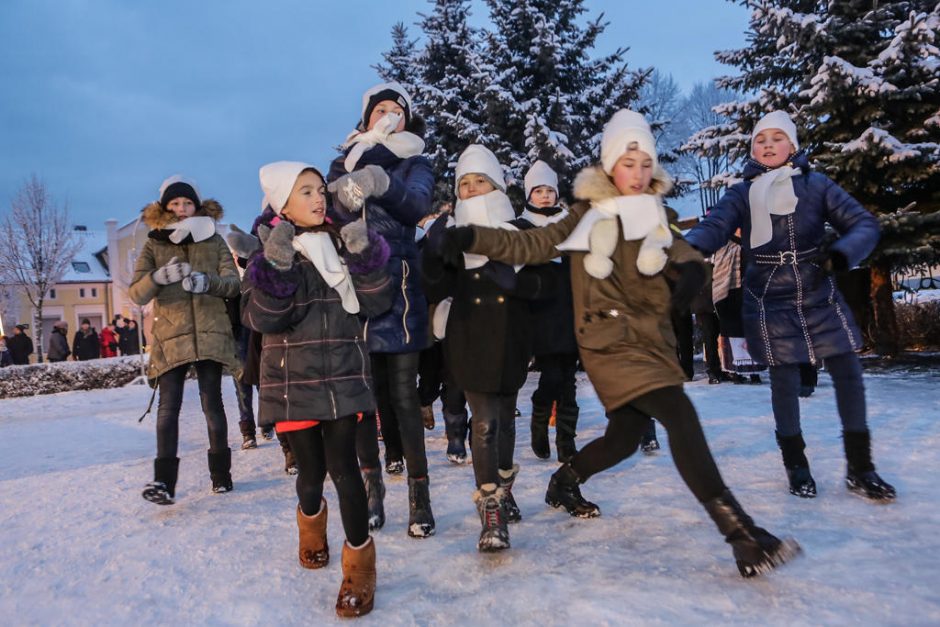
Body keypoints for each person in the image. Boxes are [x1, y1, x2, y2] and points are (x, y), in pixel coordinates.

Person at [445, 110, 800, 577]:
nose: (637, 173)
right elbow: (530, 247)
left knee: (625, 437)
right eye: (628, 163)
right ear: (611, 165)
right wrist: (474, 234)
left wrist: (692, 268)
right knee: (680, 416)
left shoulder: (655, 217)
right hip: (607, 342)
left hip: (651, 342)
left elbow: (684, 252)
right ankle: (744, 537)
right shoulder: (586, 215)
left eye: (645, 163)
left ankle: (565, 481)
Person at [685, 110, 896, 502]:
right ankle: (797, 466)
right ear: (753, 149)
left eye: (777, 138)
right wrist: (690, 247)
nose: (768, 145)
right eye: (760, 140)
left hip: (818, 290)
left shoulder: (817, 185)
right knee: (784, 383)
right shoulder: (742, 192)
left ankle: (861, 468)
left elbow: (864, 224)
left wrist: (842, 252)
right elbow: (715, 225)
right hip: (769, 297)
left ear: (793, 146)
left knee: (848, 373)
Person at [243, 161, 393, 617]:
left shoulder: (342, 242)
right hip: (294, 381)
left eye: (319, 190)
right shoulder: (270, 255)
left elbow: (378, 303)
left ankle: (359, 569)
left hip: (344, 376)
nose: (318, 198)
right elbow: (264, 319)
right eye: (304, 192)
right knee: (310, 475)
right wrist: (279, 268)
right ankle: (311, 528)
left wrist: (365, 254)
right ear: (281, 205)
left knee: (346, 471)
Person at [422, 145, 554, 551]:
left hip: (512, 336)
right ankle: (490, 505)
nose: (473, 188)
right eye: (465, 183)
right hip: (469, 336)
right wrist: (435, 247)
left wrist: (515, 281)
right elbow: (435, 286)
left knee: (506, 420)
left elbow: (543, 284)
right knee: (484, 422)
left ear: (495, 184)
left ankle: (505, 485)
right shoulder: (451, 235)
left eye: (480, 181)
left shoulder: (518, 230)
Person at [326, 81, 436, 538]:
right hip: (354, 286)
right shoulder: (342, 160)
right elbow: (331, 210)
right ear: (366, 118)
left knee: (405, 398)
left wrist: (380, 182)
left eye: (397, 110)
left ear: (406, 120)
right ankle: (374, 491)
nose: (388, 116)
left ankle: (420, 496)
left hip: (402, 285)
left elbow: (416, 206)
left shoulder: (416, 159)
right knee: (362, 399)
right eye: (380, 110)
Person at [130, 175, 241, 504]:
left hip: (209, 330)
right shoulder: (154, 244)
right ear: (164, 207)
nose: (181, 209)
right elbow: (136, 293)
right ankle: (164, 483)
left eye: (187, 203)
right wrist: (157, 278)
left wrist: (207, 282)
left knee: (212, 405)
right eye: (175, 204)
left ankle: (221, 475)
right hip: (171, 335)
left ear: (197, 205)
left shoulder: (214, 240)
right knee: (168, 410)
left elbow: (233, 283)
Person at [516, 160, 581, 463]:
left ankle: (567, 442)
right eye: (538, 190)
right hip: (538, 315)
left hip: (568, 312)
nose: (544, 196)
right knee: (552, 376)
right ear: (529, 194)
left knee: (568, 381)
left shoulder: (569, 226)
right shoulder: (521, 227)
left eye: (549, 190)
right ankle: (540, 416)